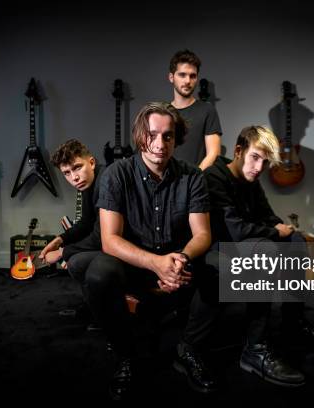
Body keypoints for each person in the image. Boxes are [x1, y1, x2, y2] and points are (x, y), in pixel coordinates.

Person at [84, 102, 219, 400]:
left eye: (168, 136)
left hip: (176, 263)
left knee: (224, 262)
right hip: (133, 263)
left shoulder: (192, 176)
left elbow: (203, 234)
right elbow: (110, 240)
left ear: (176, 138)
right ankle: (125, 355)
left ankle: (188, 348)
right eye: (152, 135)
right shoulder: (116, 174)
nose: (160, 144)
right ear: (139, 136)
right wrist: (155, 263)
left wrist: (179, 260)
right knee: (98, 275)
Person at [203, 125, 314, 387]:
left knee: (296, 241)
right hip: (218, 247)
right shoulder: (214, 177)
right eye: (255, 157)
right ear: (239, 151)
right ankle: (254, 349)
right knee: (266, 249)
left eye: (265, 162)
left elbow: (267, 215)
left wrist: (284, 231)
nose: (259, 167)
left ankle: (293, 324)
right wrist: (275, 232)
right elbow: (236, 230)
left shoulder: (251, 179)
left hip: (246, 241)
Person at [38, 139, 102, 281]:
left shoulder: (106, 181)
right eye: (67, 173)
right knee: (75, 259)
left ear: (91, 163)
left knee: (76, 262)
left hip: (132, 247)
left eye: (77, 167)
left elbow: (102, 236)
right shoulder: (88, 183)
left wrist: (62, 252)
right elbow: (86, 222)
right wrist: (59, 240)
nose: (74, 178)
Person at [168, 49, 222, 170]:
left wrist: (193, 179)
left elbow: (214, 154)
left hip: (196, 183)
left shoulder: (207, 110)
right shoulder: (163, 112)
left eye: (192, 76)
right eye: (182, 75)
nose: (188, 81)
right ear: (171, 77)